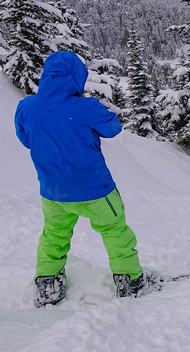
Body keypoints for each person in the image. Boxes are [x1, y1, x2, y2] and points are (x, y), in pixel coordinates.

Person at [15, 51, 153, 306]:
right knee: (115, 231)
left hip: (53, 191)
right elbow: (113, 128)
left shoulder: (27, 106)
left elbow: (26, 140)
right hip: (94, 188)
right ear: (77, 77)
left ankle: (48, 284)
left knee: (54, 234)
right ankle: (130, 280)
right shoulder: (85, 108)